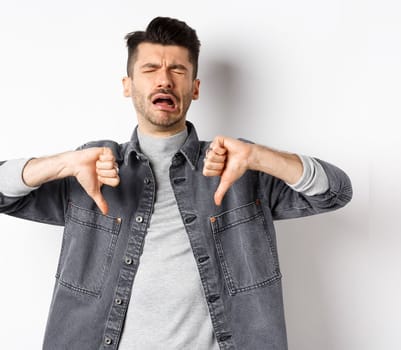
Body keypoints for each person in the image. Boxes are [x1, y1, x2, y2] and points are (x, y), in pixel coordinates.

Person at [0, 17, 352, 349]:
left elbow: (335, 192)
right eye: (150, 69)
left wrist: (259, 157)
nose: (164, 80)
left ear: (195, 88)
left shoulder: (237, 169)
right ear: (128, 85)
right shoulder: (91, 169)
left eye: (178, 70)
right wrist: (62, 162)